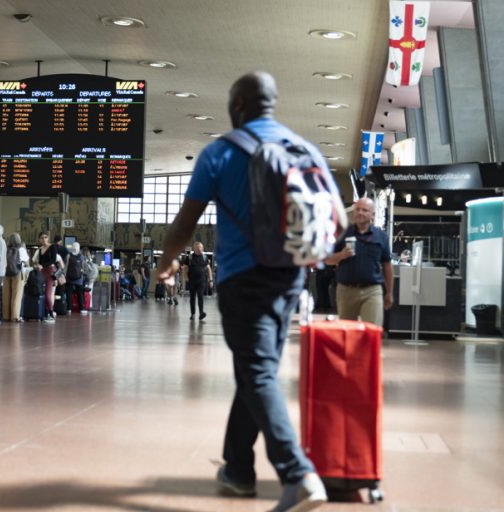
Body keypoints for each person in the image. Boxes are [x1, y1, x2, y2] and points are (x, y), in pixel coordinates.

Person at [158, 72, 327, 512]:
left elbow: (185, 223)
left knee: (257, 372)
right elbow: (332, 215)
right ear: (272, 103)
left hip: (243, 277)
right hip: (290, 275)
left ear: (237, 107)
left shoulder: (220, 152)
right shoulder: (303, 147)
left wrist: (165, 261)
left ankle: (298, 474)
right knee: (256, 368)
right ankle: (237, 468)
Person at [324, 197, 394, 326]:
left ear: (373, 214)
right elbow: (327, 260)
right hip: (346, 290)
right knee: (347, 334)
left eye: (365, 210)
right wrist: (342, 255)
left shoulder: (381, 236)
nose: (360, 213)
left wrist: (389, 293)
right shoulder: (343, 233)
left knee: (372, 331)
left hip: (372, 291)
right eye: (357, 210)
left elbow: (387, 266)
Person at [32, 232, 63, 323]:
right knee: (41, 291)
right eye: (42, 238)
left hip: (50, 271)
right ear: (39, 239)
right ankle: (44, 312)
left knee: (48, 293)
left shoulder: (52, 247)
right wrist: (38, 265)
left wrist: (42, 265)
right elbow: (38, 261)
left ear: (48, 238)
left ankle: (50, 313)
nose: (44, 239)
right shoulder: (40, 249)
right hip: (42, 272)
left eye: (45, 237)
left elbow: (53, 260)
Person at [2, 232, 28, 322]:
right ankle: (15, 316)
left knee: (6, 295)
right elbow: (26, 263)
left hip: (6, 273)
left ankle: (6, 316)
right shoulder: (21, 250)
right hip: (18, 273)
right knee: (16, 295)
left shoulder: (5, 249)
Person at [187, 242, 213, 321]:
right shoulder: (190, 257)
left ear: (203, 248)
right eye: (197, 247)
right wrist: (185, 278)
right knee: (192, 297)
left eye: (201, 247)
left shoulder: (205, 257)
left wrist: (211, 280)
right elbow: (185, 268)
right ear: (194, 248)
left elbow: (208, 269)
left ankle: (201, 313)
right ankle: (193, 314)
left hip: (202, 281)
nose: (199, 249)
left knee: (200, 296)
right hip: (192, 281)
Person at [65, 241, 87, 314]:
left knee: (69, 294)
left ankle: (69, 309)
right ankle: (81, 308)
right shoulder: (81, 256)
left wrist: (65, 275)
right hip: (79, 278)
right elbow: (84, 267)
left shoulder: (68, 256)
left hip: (69, 278)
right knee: (80, 293)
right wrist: (82, 273)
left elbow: (66, 267)